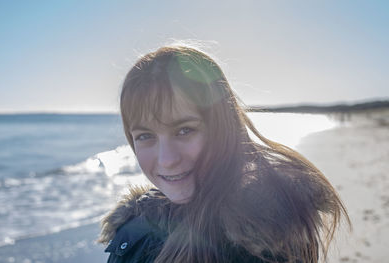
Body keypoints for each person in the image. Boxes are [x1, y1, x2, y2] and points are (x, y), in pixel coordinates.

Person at [98, 45, 350, 263]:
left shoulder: (260, 240)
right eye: (145, 136)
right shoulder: (134, 228)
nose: (166, 159)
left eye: (185, 130)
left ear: (223, 126)